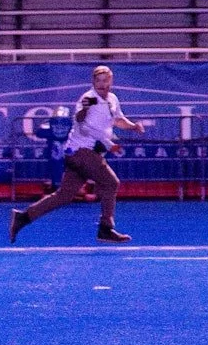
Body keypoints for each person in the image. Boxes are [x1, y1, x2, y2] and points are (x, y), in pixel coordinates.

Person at [11, 64, 142, 244]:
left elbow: (118, 119)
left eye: (105, 80)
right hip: (82, 152)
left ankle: (23, 218)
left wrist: (133, 126)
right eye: (99, 81)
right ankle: (105, 228)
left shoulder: (112, 99)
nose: (102, 84)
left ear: (111, 81)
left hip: (79, 155)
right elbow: (81, 121)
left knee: (64, 196)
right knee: (111, 183)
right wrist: (89, 115)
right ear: (93, 82)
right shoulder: (88, 98)